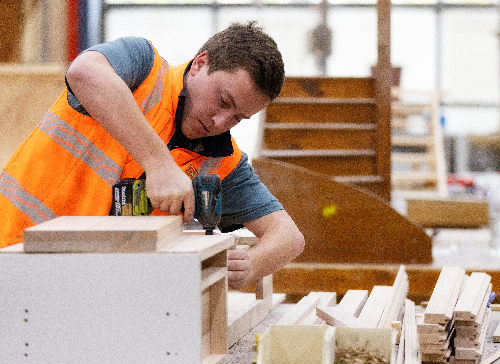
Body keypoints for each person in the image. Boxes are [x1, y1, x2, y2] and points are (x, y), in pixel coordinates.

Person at [0, 21, 305, 289]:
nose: (220, 122)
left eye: (238, 118)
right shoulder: (143, 69)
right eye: (223, 100)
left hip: (89, 293)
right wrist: (159, 163)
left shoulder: (221, 162)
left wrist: (251, 264)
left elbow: (289, 237)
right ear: (200, 63)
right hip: (12, 255)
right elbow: (84, 72)